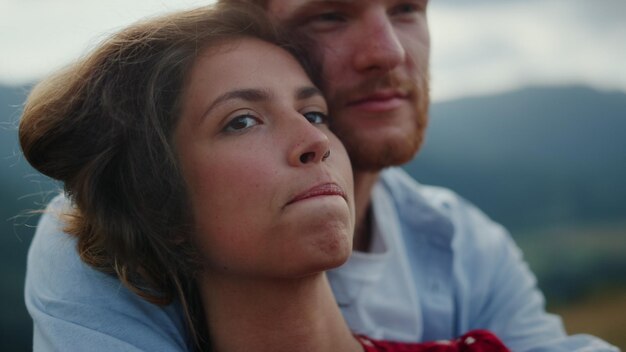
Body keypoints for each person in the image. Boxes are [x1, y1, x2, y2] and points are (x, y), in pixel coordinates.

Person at [22, 1, 619, 351]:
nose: (388, 51)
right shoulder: (98, 239)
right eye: (331, 14)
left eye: (407, 8)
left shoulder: (466, 243)